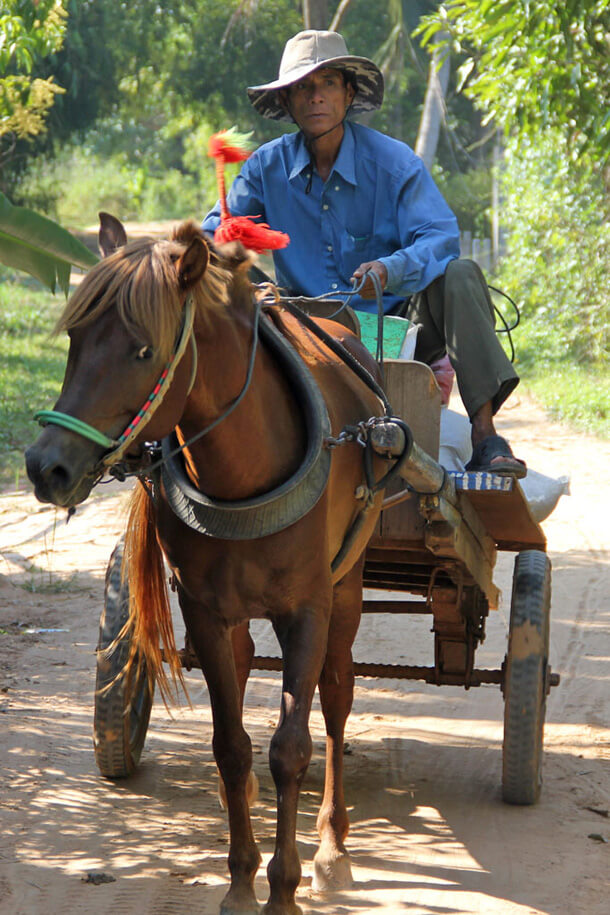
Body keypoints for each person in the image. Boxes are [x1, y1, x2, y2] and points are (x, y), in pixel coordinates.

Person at [203, 30, 526, 477]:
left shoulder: (394, 164)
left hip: (395, 326)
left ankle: (486, 435)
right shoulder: (264, 166)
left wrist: (391, 268)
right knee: (221, 275)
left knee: (461, 273)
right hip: (301, 325)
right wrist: (215, 245)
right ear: (289, 101)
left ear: (348, 93)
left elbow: (440, 237)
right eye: (303, 87)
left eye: (328, 84)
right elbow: (216, 230)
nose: (315, 98)